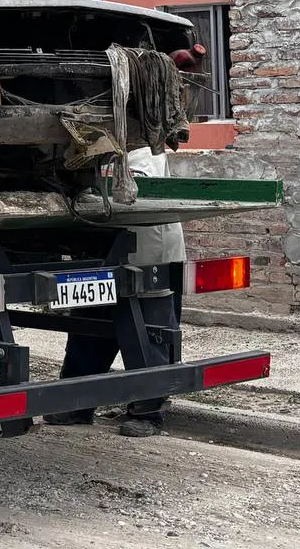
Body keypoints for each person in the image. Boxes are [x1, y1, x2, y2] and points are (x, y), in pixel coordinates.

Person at [44, 146, 186, 437]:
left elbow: (136, 188)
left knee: (150, 334)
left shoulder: (146, 148)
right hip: (104, 249)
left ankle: (148, 412)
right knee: (90, 327)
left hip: (149, 253)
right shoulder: (93, 146)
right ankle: (77, 403)